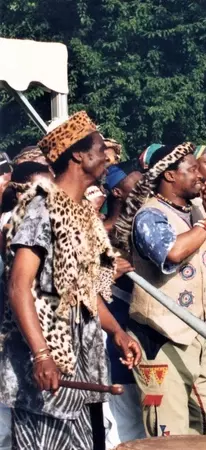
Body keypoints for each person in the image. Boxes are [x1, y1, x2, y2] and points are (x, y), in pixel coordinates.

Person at [0, 111, 142, 449]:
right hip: (46, 378)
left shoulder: (85, 217)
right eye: (98, 148)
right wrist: (41, 354)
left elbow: (84, 292)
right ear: (77, 155)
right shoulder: (39, 209)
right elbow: (19, 286)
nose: (107, 157)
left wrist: (118, 332)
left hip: (83, 375)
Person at [126, 143, 206, 437]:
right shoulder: (149, 215)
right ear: (169, 175)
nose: (202, 174)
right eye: (192, 168)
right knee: (170, 431)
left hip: (201, 335)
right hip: (162, 337)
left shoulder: (197, 210)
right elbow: (171, 253)